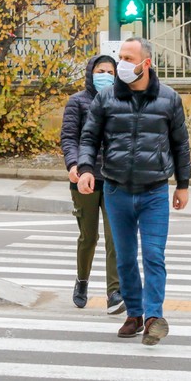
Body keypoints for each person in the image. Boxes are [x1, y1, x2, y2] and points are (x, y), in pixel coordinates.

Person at [77, 37, 191, 346]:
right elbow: (89, 138)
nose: (121, 64)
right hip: (116, 190)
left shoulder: (169, 99)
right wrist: (86, 169)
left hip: (154, 192)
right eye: (120, 58)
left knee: (154, 256)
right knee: (125, 258)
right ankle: (135, 314)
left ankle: (153, 317)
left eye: (128, 58)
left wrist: (183, 184)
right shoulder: (107, 98)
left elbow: (180, 144)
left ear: (146, 63)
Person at [60, 55, 124, 314]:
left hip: (113, 179)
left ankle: (114, 292)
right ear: (90, 72)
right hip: (83, 179)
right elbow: (69, 137)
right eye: (100, 70)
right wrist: (73, 165)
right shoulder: (77, 102)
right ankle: (82, 281)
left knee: (115, 238)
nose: (105, 75)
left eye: (110, 71)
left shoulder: (121, 101)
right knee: (89, 236)